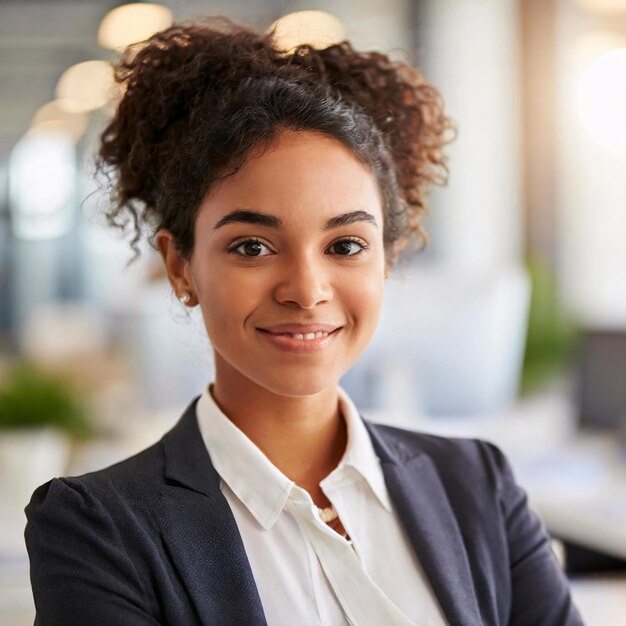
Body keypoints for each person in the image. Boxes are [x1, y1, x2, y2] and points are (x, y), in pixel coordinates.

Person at [24, 16, 585, 626]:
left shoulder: (477, 486)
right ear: (181, 267)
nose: (306, 290)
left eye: (345, 245)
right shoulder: (98, 527)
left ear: (388, 262)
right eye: (252, 247)